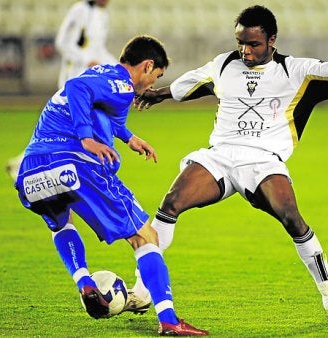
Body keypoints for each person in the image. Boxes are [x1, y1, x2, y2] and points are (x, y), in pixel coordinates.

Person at [136, 5, 328, 323]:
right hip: (220, 155)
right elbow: (191, 83)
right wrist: (162, 94)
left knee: (292, 219)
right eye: (241, 42)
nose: (245, 50)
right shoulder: (224, 64)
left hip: (264, 160)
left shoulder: (295, 71)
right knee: (170, 204)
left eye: (253, 43)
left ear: (272, 41)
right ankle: (141, 291)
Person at [14, 35, 208, 336]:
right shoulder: (123, 84)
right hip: (76, 163)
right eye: (155, 77)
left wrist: (130, 138)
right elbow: (75, 89)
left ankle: (85, 282)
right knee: (146, 238)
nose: (150, 86)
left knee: (61, 224)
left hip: (32, 170)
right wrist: (86, 138)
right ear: (147, 66)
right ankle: (169, 320)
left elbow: (102, 109)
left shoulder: (103, 75)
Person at [6, 0, 117, 180]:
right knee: (68, 129)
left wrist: (117, 67)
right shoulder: (80, 10)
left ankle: (22, 163)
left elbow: (98, 50)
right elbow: (63, 42)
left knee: (67, 130)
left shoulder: (103, 15)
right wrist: (85, 59)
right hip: (73, 82)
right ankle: (25, 165)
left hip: (88, 83)